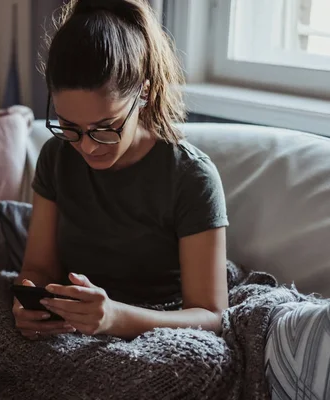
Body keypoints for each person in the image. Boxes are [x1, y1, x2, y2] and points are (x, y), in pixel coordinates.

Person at [13, 0, 229, 341]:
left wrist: (114, 317)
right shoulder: (56, 156)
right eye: (70, 127)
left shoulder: (191, 178)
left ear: (143, 93)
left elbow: (211, 316)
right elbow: (38, 269)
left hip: (154, 332)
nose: (87, 146)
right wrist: (28, 302)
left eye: (105, 127)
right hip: (71, 329)